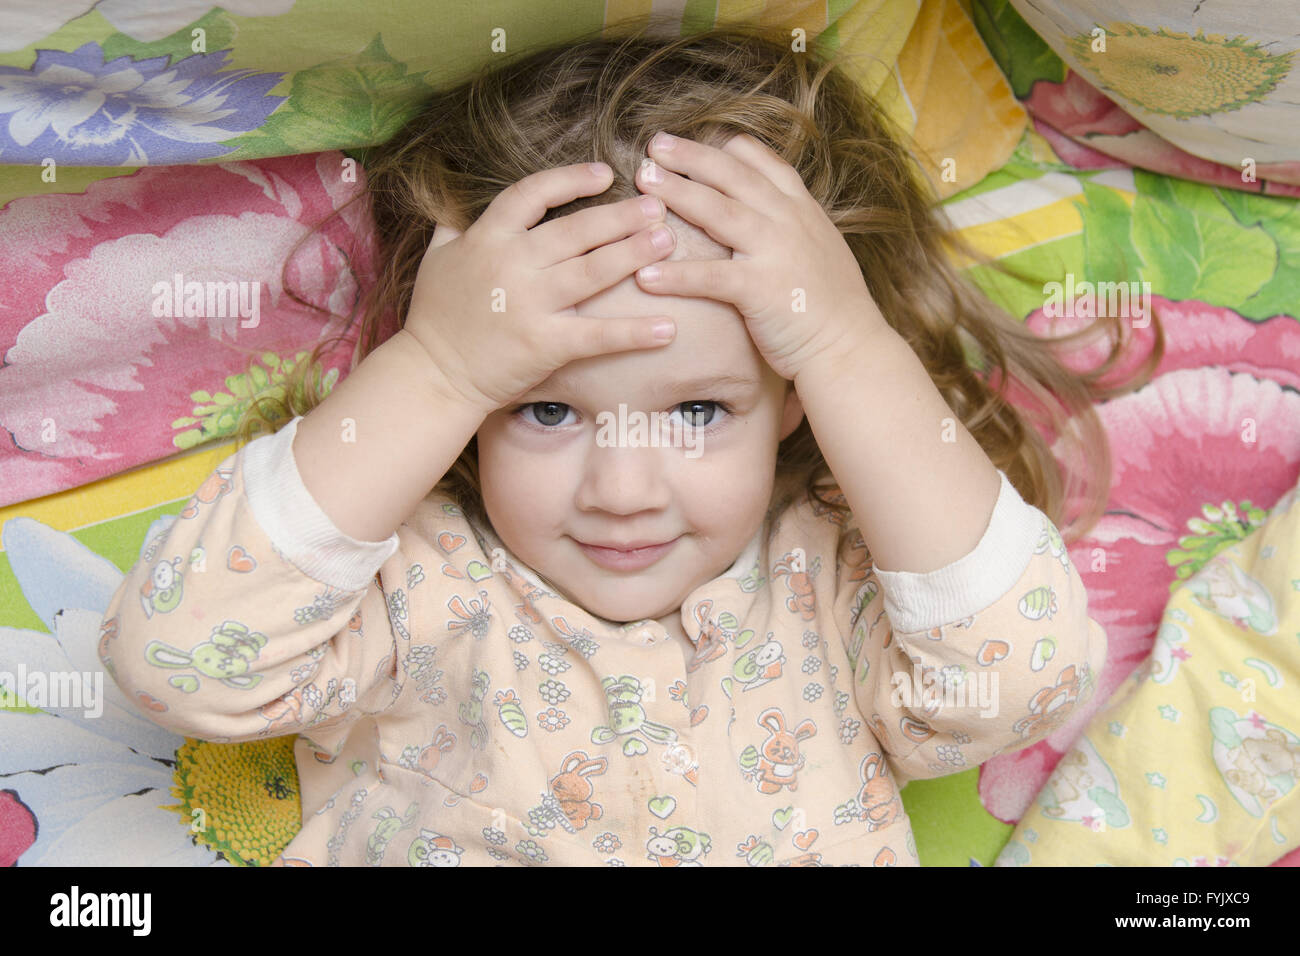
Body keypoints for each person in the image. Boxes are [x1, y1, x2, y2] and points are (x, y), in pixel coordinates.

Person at [99, 22, 1161, 866]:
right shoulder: (412, 575)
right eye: (544, 409)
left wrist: (847, 345)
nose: (620, 490)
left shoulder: (834, 579)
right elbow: (181, 661)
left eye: (698, 411)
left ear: (797, 400)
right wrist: (436, 369)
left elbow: (1016, 679)